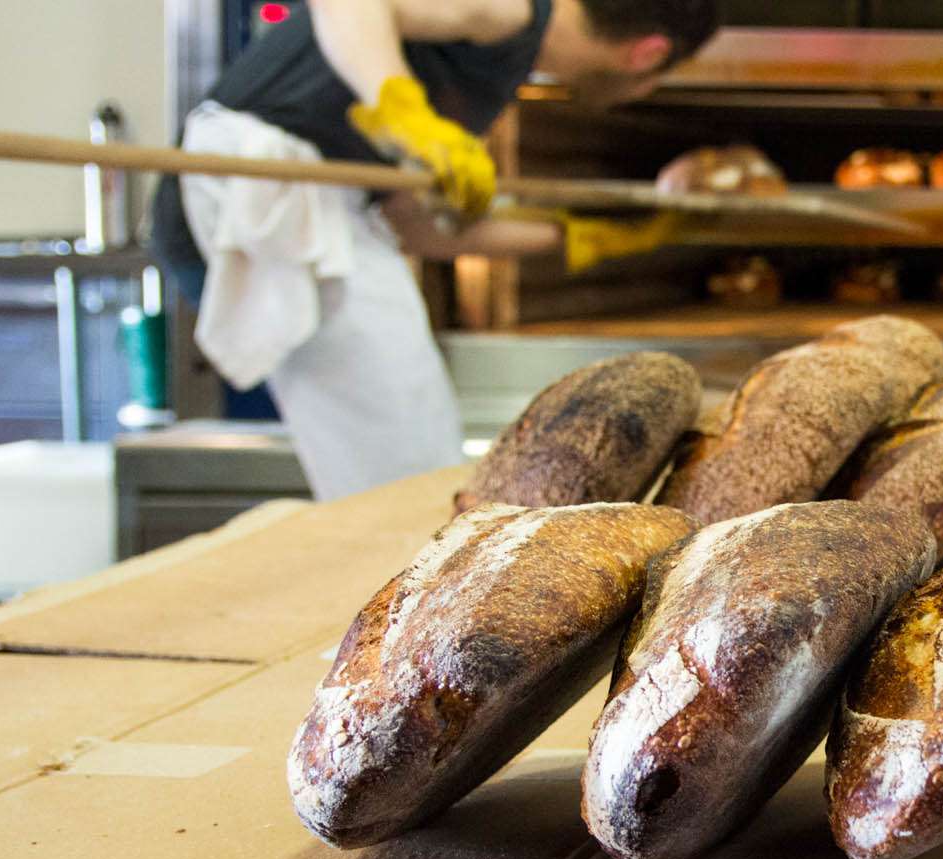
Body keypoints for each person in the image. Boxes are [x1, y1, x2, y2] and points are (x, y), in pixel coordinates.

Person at [149, 0, 719, 500]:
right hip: (261, 181)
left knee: (407, 433)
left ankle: (401, 586)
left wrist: (588, 237)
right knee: (401, 450)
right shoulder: (517, 9)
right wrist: (405, 113)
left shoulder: (493, 67)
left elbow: (417, 228)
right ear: (647, 53)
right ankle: (404, 598)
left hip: (320, 199)